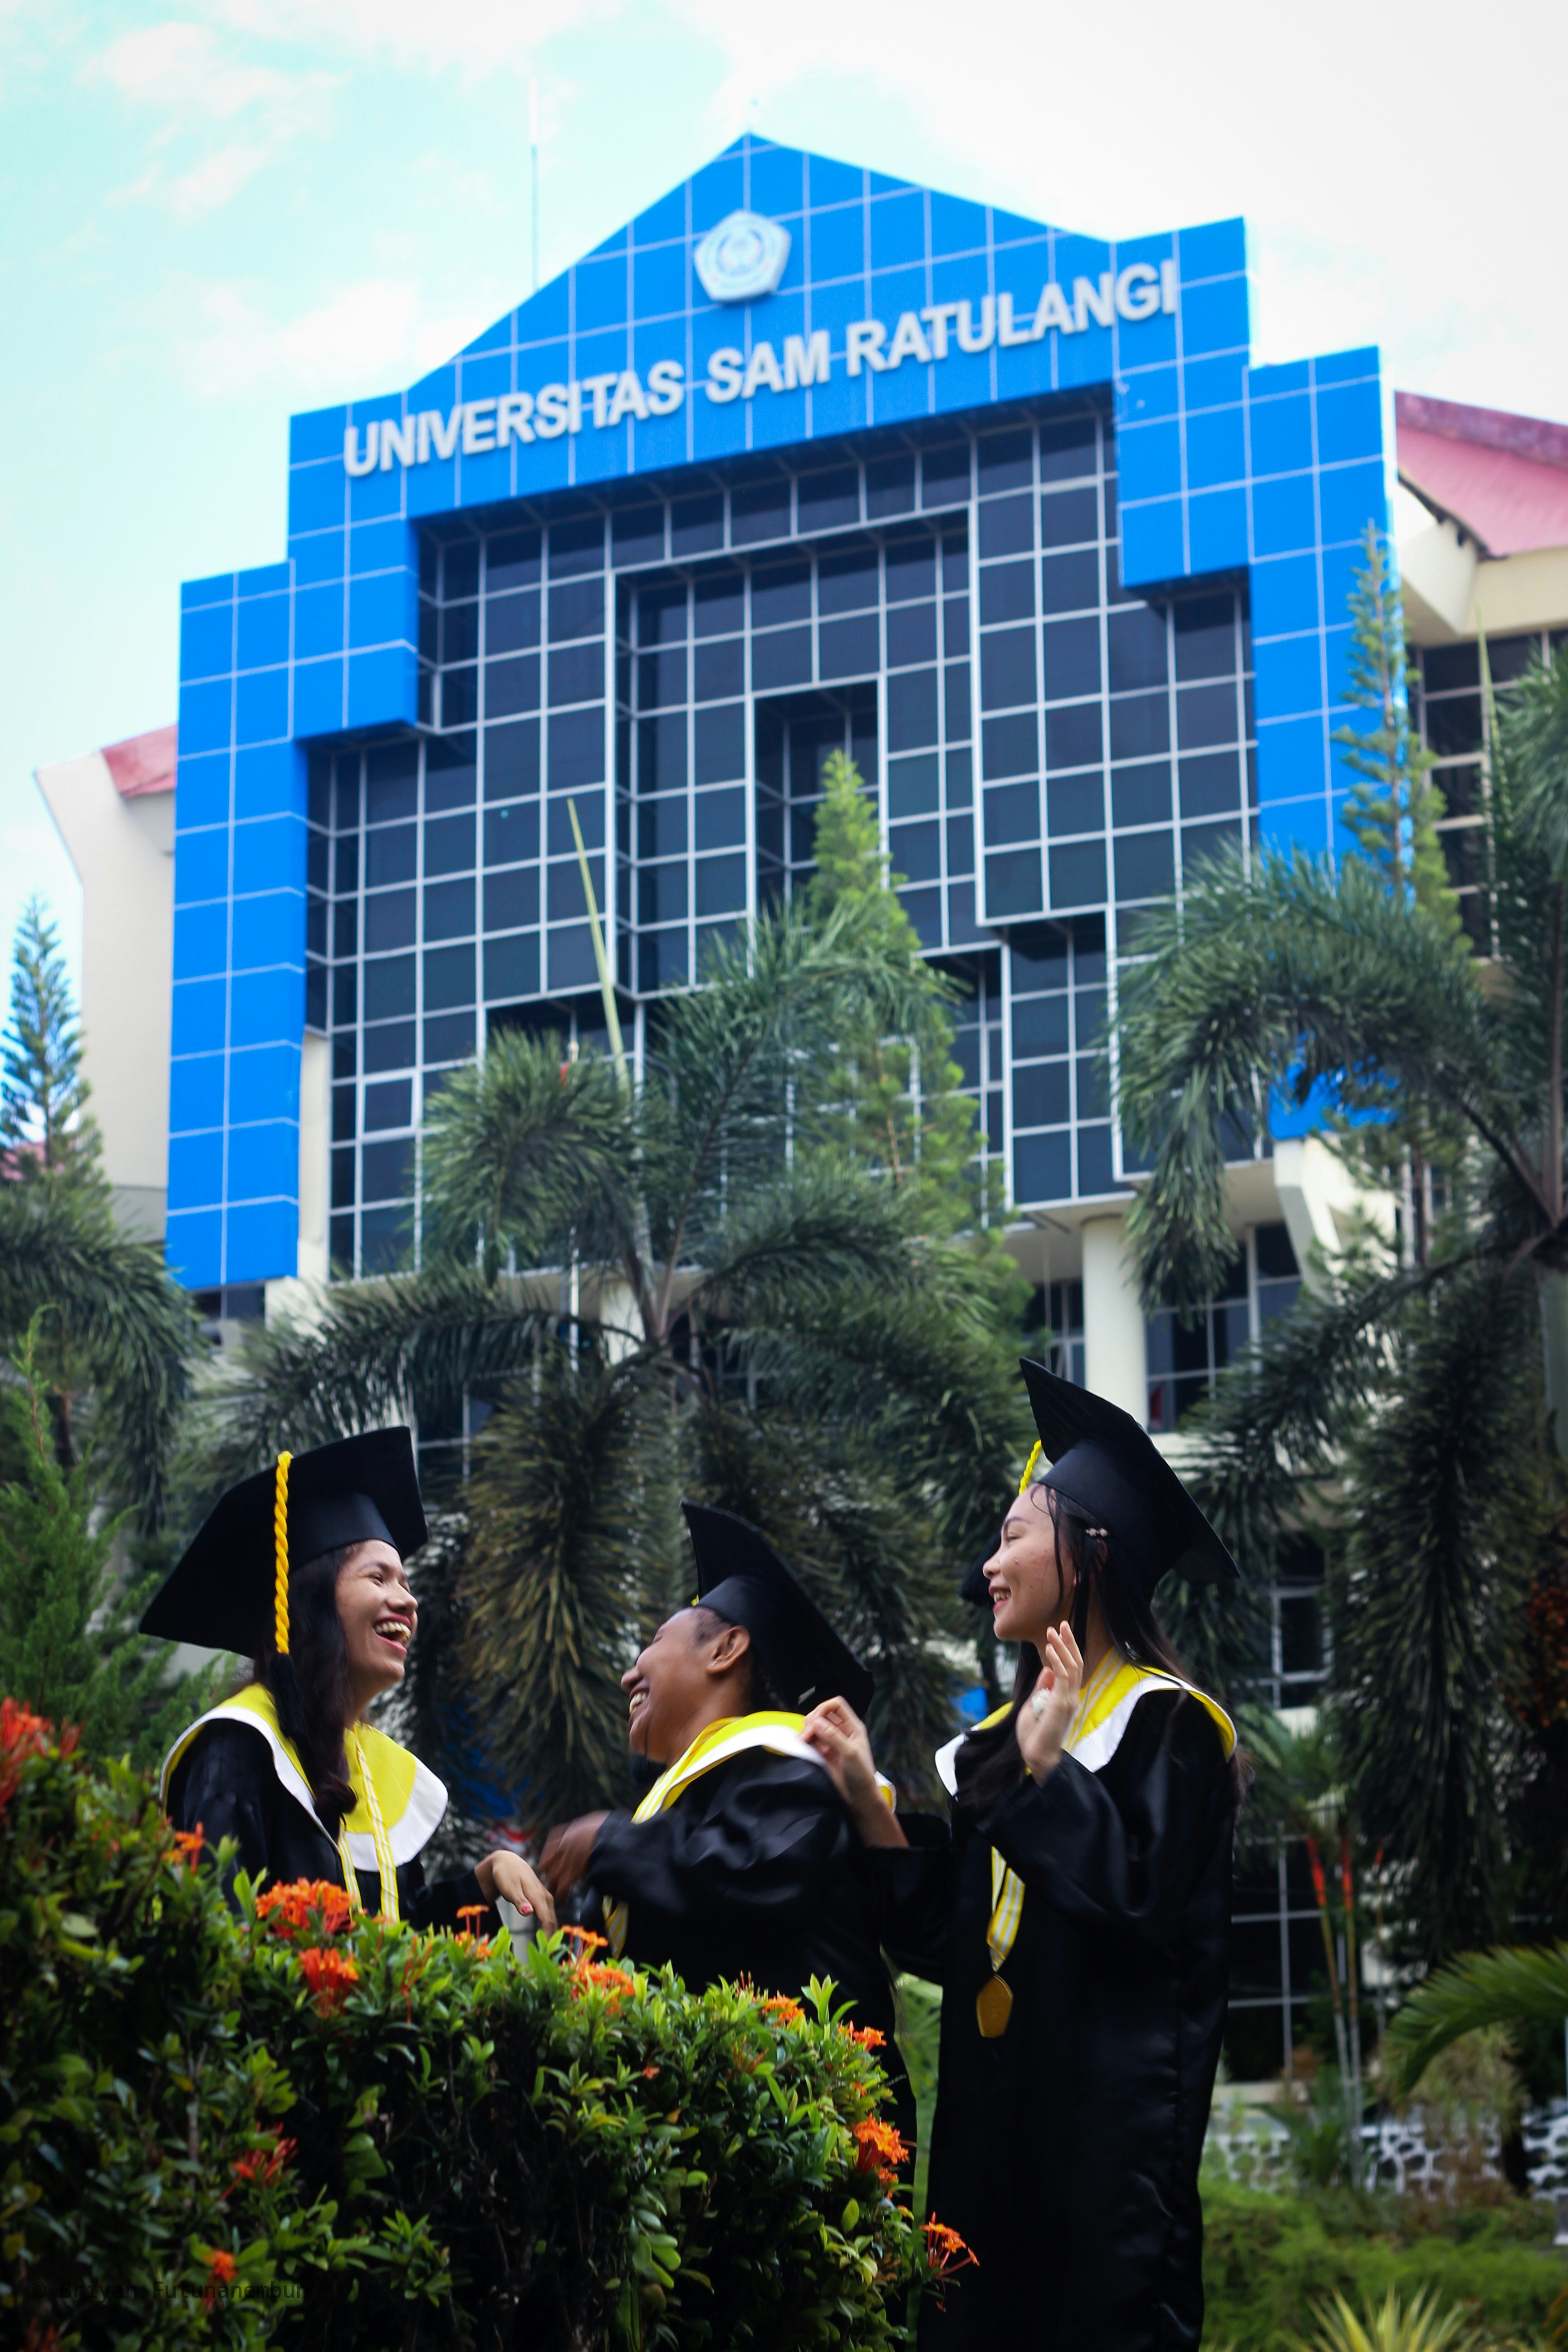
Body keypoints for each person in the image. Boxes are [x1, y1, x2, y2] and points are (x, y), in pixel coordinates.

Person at [803, 1361, 1242, 2349]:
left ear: (1088, 1550)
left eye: (1011, 1537)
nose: (989, 1566)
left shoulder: (1170, 1728)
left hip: (1106, 2184)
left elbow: (1137, 1905)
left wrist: (1051, 1777)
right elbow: (955, 1945)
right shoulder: (997, 1748)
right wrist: (871, 1802)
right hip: (984, 2172)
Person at [540, 1500, 914, 2145]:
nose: (631, 1672)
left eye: (654, 1643)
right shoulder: (688, 1802)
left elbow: (749, 1877)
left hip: (809, 2143)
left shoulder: (794, 1774)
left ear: (726, 1649)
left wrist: (606, 1839)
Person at [143, 1427, 555, 1935]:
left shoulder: (373, 1765)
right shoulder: (240, 1747)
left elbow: (394, 1940)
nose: (408, 1601)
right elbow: (215, 1943)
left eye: (406, 1583)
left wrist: (484, 1880)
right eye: (378, 1578)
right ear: (314, 1603)